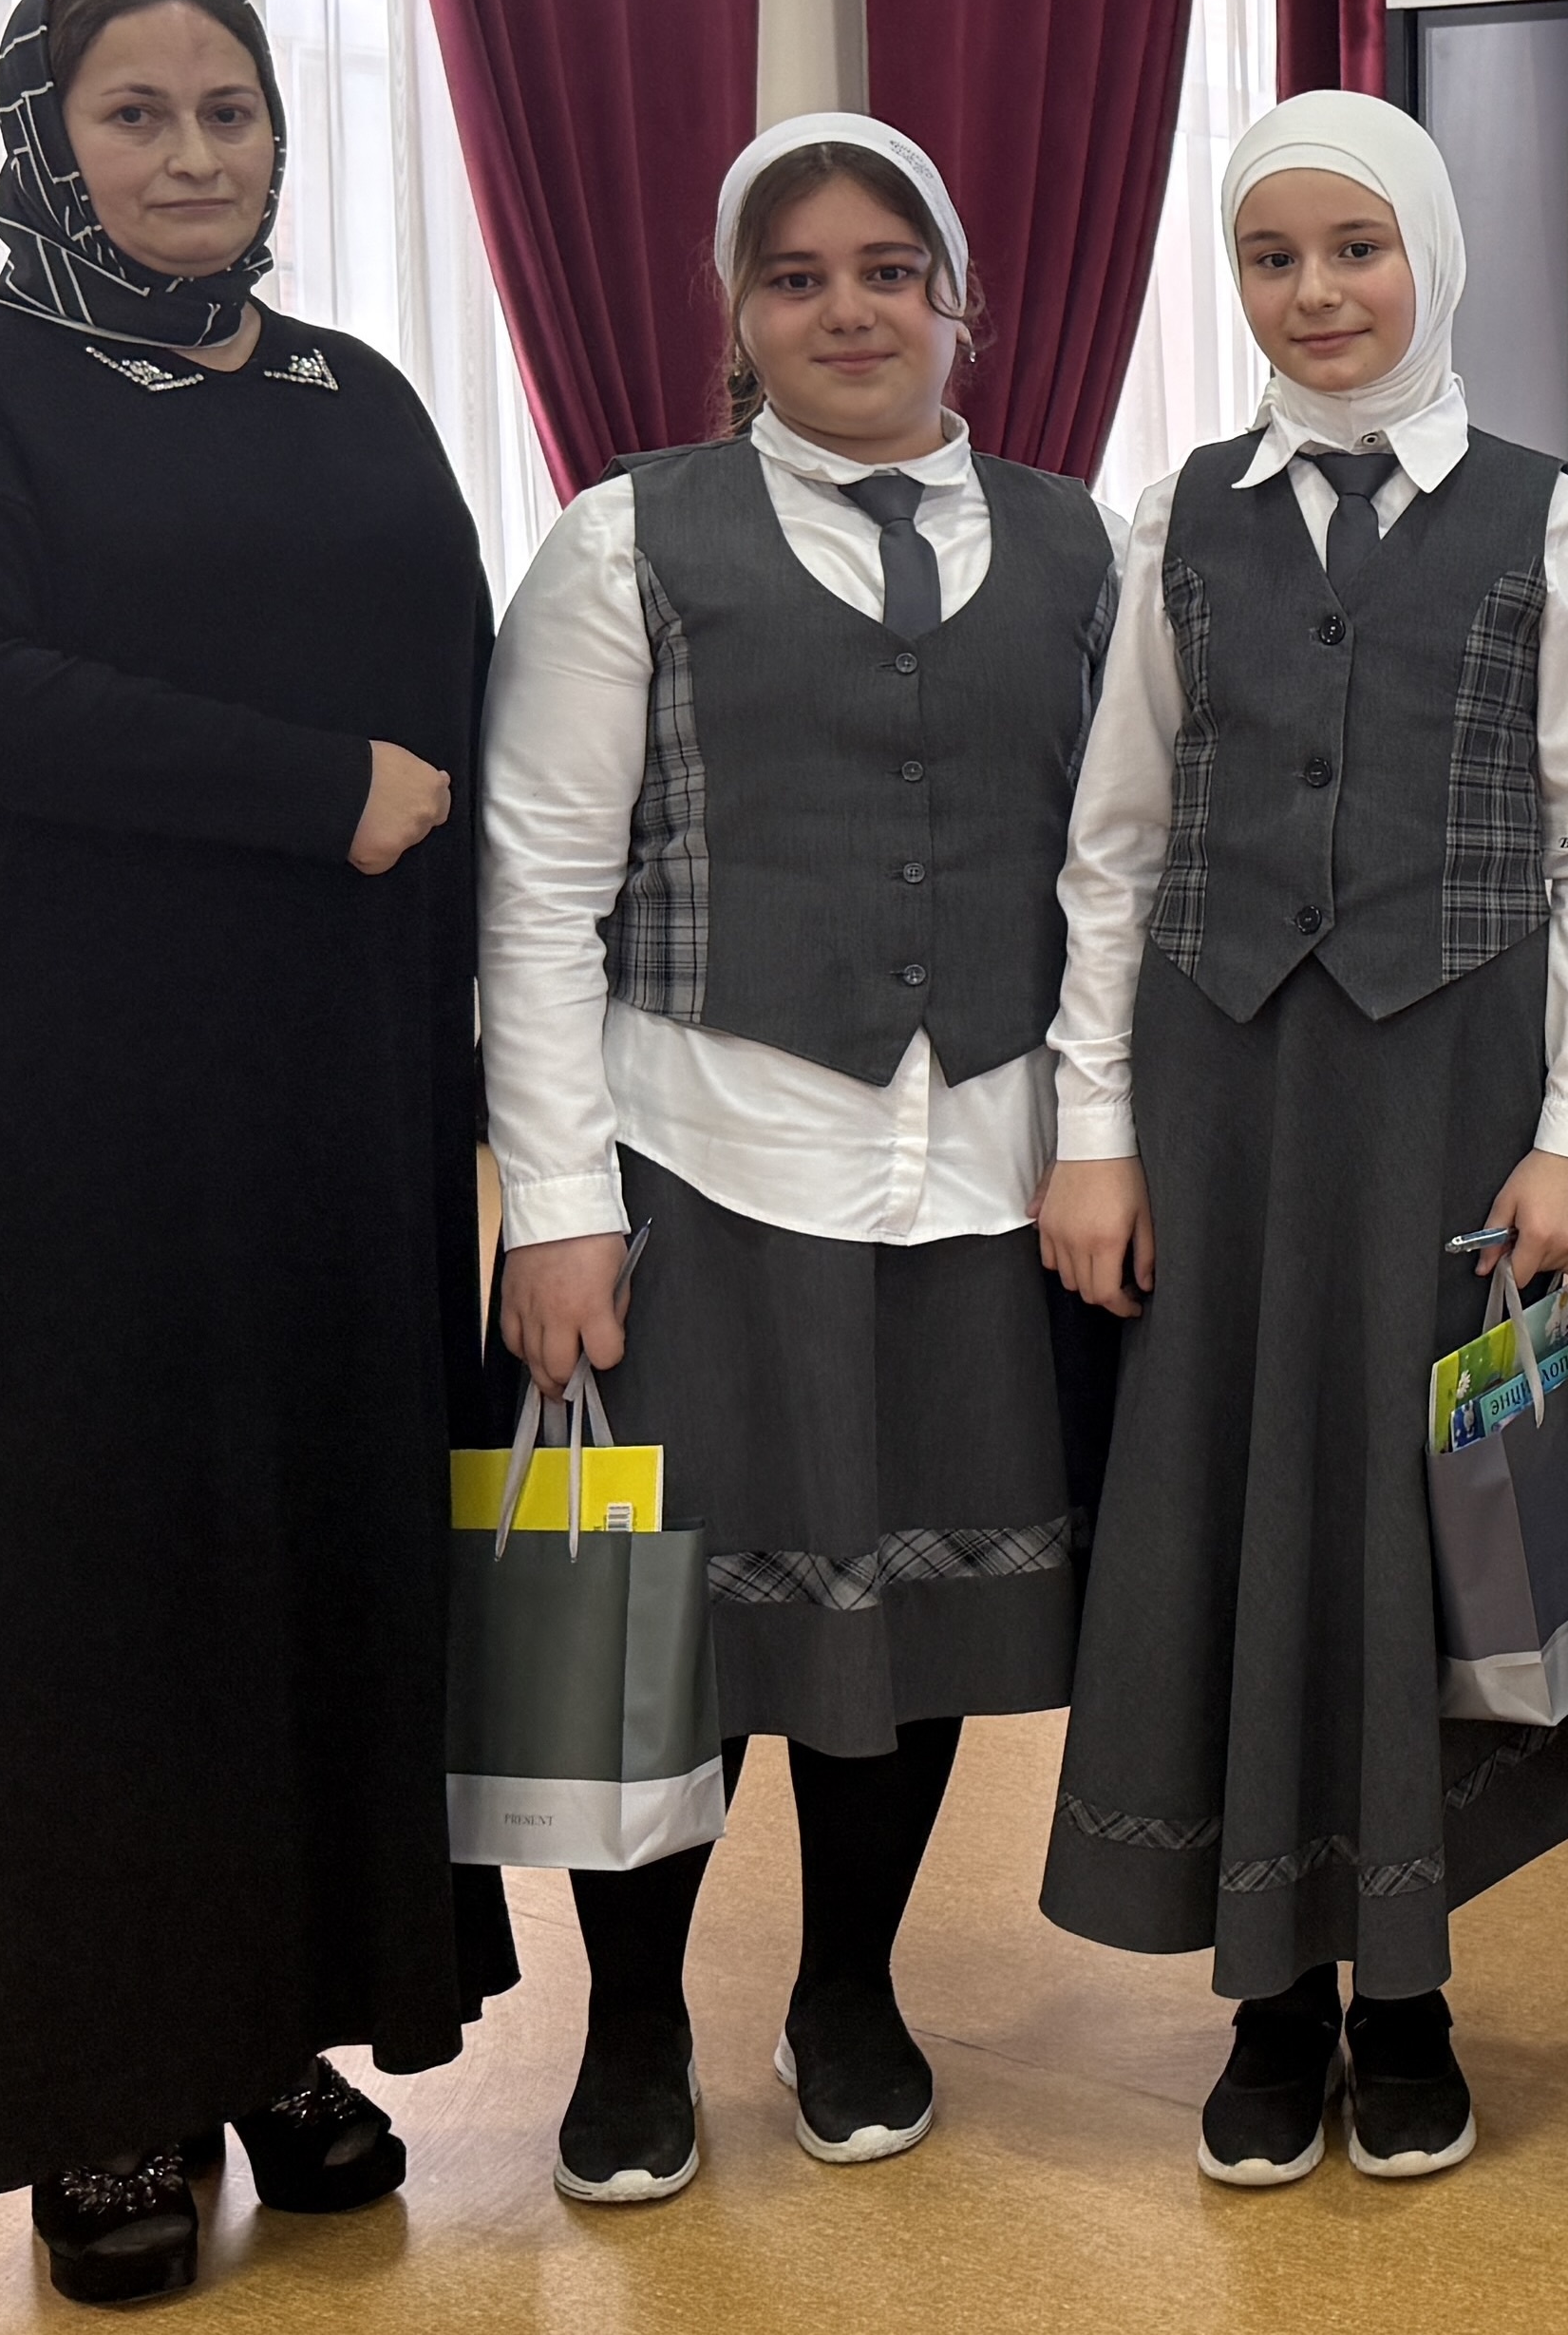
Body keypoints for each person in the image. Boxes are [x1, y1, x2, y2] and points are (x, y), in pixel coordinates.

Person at [0, 0, 508, 2304]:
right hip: (51, 1115)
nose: (194, 153)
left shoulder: (351, 389)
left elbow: (467, 726)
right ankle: (103, 2086)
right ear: (47, 133)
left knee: (321, 1562)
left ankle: (277, 2030)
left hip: (333, 1110)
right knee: (89, 1586)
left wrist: (494, 1081)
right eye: (136, 110)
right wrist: (309, 789)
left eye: (231, 108)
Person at [475, 114, 1122, 2203]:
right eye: (797, 276)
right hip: (704, 1160)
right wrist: (557, 1202)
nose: (848, 310)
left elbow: (1110, 877)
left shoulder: (1082, 547)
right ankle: (634, 2020)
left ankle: (850, 1983)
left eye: (888, 270)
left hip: (980, 1169)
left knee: (912, 1618)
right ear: (738, 315)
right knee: (662, 1632)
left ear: (959, 302)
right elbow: (538, 889)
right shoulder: (623, 541)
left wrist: (1099, 1137)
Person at [1032, 89, 1568, 2185]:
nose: (1316, 292)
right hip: (1217, 1099)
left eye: (1355, 248)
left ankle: (1408, 1996)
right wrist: (1094, 1131)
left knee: (1413, 1515)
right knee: (1238, 1505)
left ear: (1431, 258)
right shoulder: (1175, 517)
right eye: (1273, 256)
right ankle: (1269, 1999)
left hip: (1449, 1097)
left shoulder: (1552, 521)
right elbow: (1114, 846)